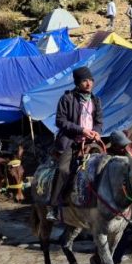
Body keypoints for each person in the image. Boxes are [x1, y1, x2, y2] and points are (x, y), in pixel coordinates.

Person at [47, 66, 103, 222]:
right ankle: (53, 207)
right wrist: (81, 130)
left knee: (105, 167)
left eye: (90, 80)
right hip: (71, 141)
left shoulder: (95, 100)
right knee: (63, 169)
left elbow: (98, 122)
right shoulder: (67, 99)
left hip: (91, 142)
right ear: (78, 83)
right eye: (84, 81)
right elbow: (60, 121)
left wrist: (97, 131)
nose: (88, 84)